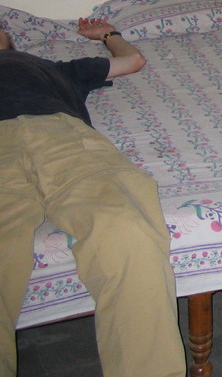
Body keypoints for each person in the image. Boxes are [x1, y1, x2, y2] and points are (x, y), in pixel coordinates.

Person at [0, 20, 185, 377]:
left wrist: (107, 35)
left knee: (127, 230)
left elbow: (132, 61)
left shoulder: (47, 66)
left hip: (62, 137)